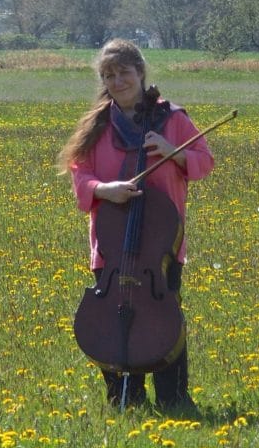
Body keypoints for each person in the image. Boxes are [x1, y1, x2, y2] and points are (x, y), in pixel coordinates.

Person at [61, 38, 214, 413]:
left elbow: (204, 161)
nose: (117, 81)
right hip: (113, 245)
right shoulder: (97, 124)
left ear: (141, 72)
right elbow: (80, 175)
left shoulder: (173, 119)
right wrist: (104, 189)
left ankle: (173, 398)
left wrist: (172, 152)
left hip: (159, 244)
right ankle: (124, 400)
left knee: (165, 319)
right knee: (111, 319)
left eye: (124, 73)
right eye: (108, 75)